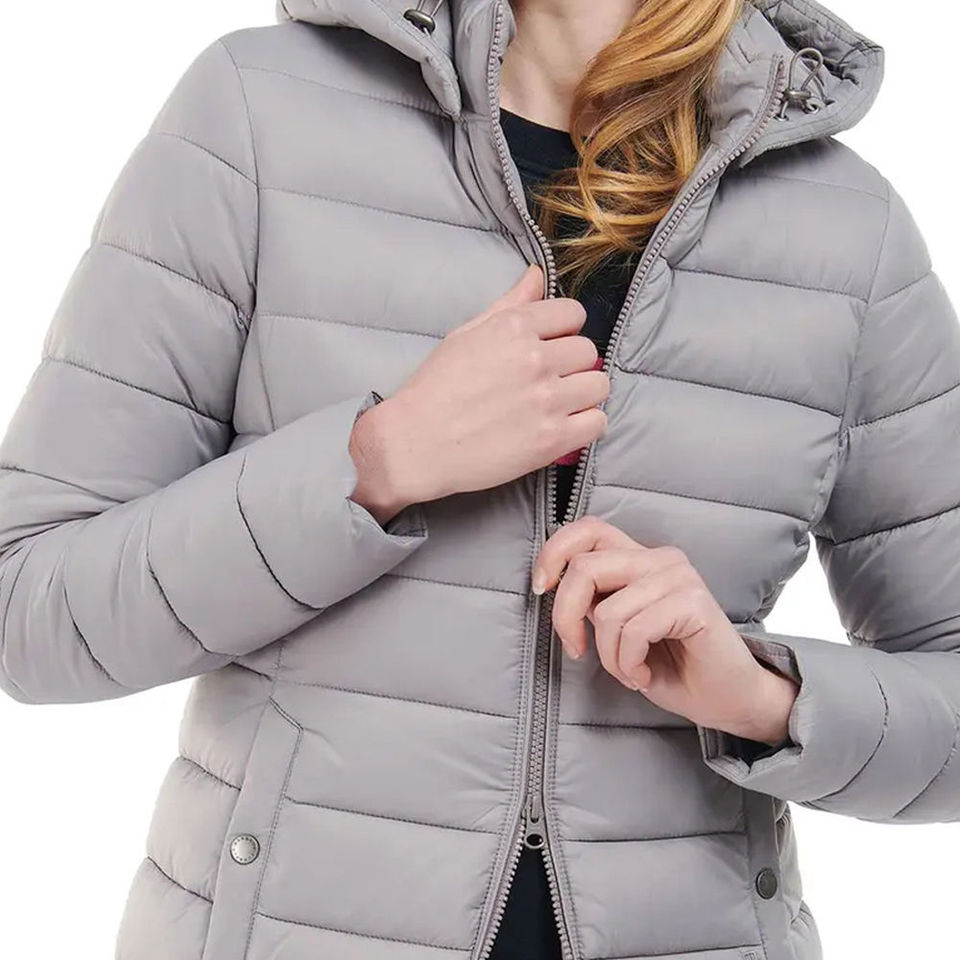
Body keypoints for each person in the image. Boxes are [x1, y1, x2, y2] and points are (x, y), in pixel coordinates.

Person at [1, 1, 958, 959]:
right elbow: (28, 609)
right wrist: (376, 462)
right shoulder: (261, 116)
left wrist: (763, 700)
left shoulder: (847, 232)